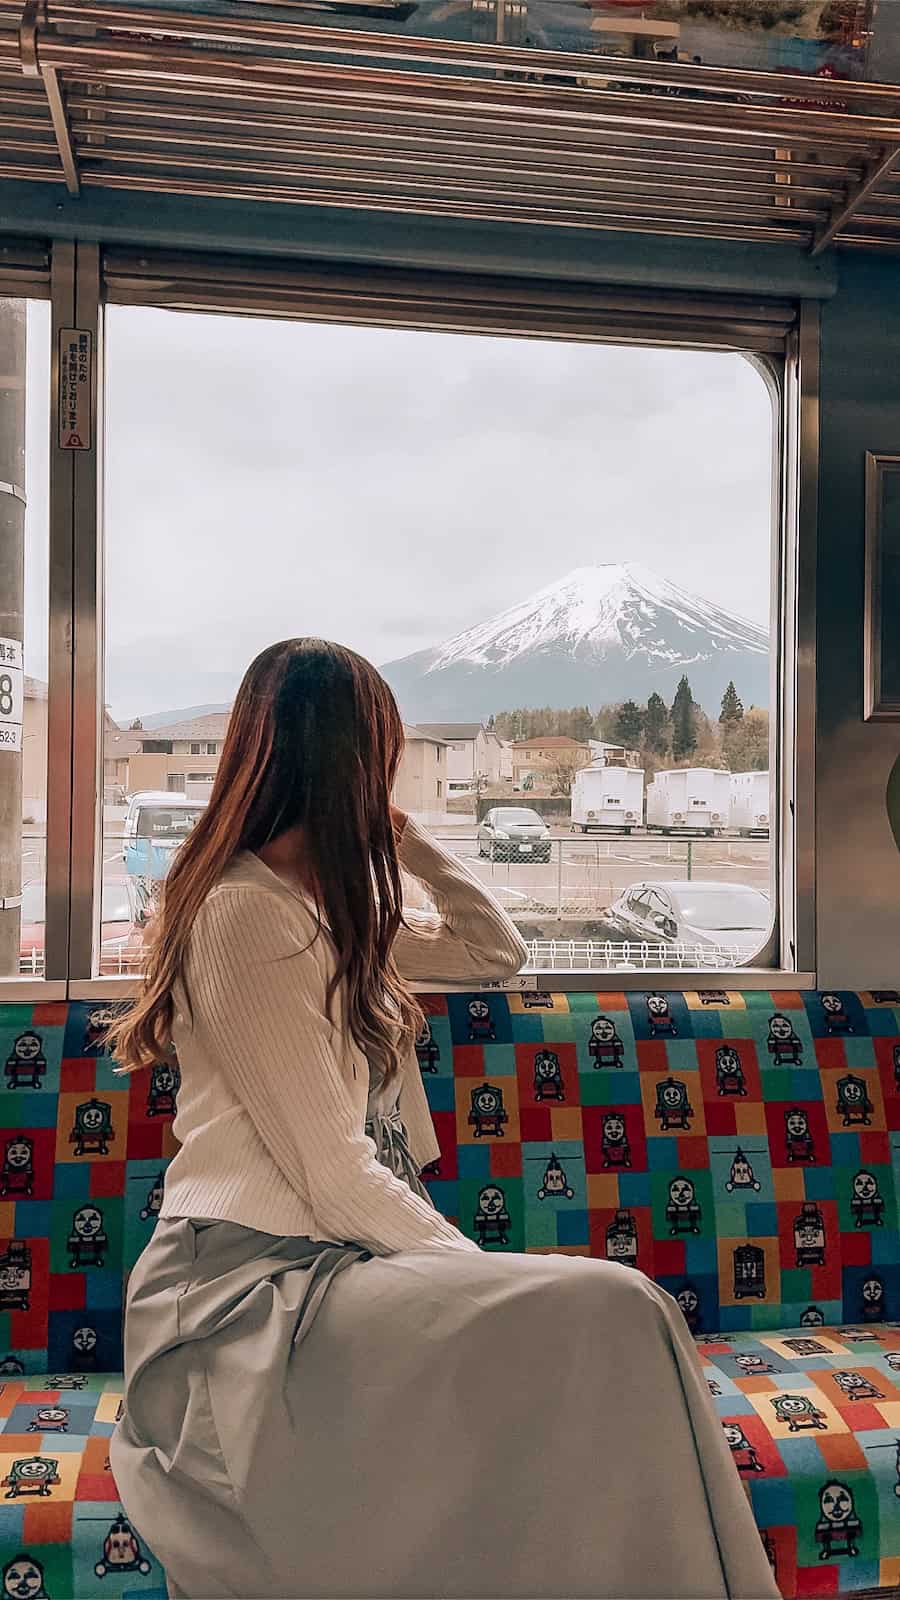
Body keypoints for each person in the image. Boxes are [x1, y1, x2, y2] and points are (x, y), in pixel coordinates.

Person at [109, 638, 778, 1600]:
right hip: (244, 1294)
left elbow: (492, 949)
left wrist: (409, 845)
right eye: (379, 751)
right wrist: (481, 1279)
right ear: (345, 760)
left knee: (616, 1327)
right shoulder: (243, 914)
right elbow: (333, 1176)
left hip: (333, 1269)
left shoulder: (340, 913)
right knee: (615, 1309)